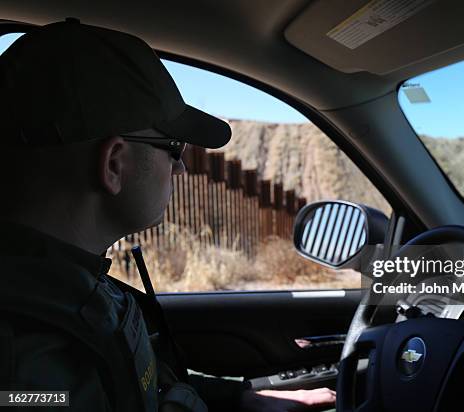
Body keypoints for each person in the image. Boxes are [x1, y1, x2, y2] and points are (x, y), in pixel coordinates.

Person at [0, 19, 336, 411]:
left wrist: (243, 399)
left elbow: (139, 386)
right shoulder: (25, 361)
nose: (181, 170)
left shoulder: (72, 288)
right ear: (113, 163)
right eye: (174, 148)